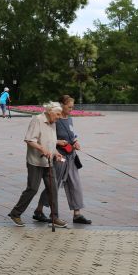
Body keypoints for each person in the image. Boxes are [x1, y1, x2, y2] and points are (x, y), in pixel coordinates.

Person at [8, 102, 67, 228]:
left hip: (48, 162)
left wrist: (56, 153)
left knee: (53, 188)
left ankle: (54, 217)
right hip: (35, 161)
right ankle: (15, 213)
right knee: (32, 189)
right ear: (50, 111)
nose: (59, 117)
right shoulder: (37, 120)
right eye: (57, 114)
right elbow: (29, 140)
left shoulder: (53, 123)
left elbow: (51, 142)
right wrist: (42, 149)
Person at [34, 95, 92, 224]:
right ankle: (39, 210)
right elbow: (46, 137)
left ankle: (77, 214)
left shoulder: (69, 119)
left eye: (72, 106)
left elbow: (72, 134)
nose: (71, 109)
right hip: (59, 156)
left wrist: (75, 141)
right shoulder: (55, 118)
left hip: (71, 156)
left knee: (75, 184)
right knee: (53, 185)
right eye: (69, 106)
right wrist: (58, 142)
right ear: (62, 105)